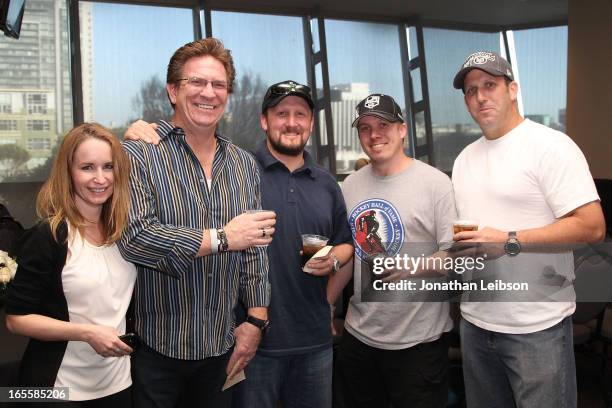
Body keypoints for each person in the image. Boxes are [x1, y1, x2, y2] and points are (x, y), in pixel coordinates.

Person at [124, 79, 354, 408]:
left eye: (300, 115)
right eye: (281, 114)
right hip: (250, 341)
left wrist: (331, 263)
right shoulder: (241, 169)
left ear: (311, 123)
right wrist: (142, 131)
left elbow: (345, 244)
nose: (291, 122)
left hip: (314, 339)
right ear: (264, 121)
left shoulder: (327, 183)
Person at [117, 38, 276, 408]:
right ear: (173, 91)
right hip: (155, 350)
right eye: (196, 83)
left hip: (223, 348)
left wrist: (255, 322)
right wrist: (222, 238)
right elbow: (137, 237)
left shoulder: (243, 164)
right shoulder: (139, 153)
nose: (209, 93)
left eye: (218, 85)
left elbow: (253, 251)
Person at [451, 51, 606, 408]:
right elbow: (469, 239)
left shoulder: (551, 146)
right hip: (475, 323)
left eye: (490, 85)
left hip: (537, 328)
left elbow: (593, 226)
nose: (480, 97)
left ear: (513, 89)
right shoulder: (464, 160)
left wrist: (508, 241)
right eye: (471, 91)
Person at [328, 94, 456, 408]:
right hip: (359, 339)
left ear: (402, 130)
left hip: (418, 344)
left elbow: (456, 257)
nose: (374, 135)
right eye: (365, 128)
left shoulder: (436, 184)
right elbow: (351, 256)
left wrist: (414, 266)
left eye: (384, 125)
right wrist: (327, 304)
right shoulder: (350, 186)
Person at [5, 123, 136, 407]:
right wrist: (87, 332)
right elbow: (16, 319)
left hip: (118, 384)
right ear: (68, 173)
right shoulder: (48, 236)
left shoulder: (125, 233)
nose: (100, 178)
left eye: (108, 166)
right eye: (87, 167)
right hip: (59, 390)